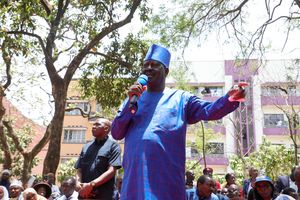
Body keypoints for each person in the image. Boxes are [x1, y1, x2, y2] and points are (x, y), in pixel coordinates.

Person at [111, 44, 246, 199]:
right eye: (145, 65)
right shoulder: (132, 100)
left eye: (154, 65)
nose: (148, 68)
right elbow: (116, 133)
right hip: (135, 182)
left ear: (166, 71)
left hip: (166, 181)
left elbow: (209, 110)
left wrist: (230, 98)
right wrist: (130, 104)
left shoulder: (181, 99)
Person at [75, 118, 122, 199]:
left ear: (106, 128)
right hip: (85, 195)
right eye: (93, 124)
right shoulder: (86, 146)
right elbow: (79, 169)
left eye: (97, 125)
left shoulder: (114, 146)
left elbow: (111, 171)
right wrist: (77, 182)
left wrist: (91, 185)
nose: (93, 126)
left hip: (104, 195)